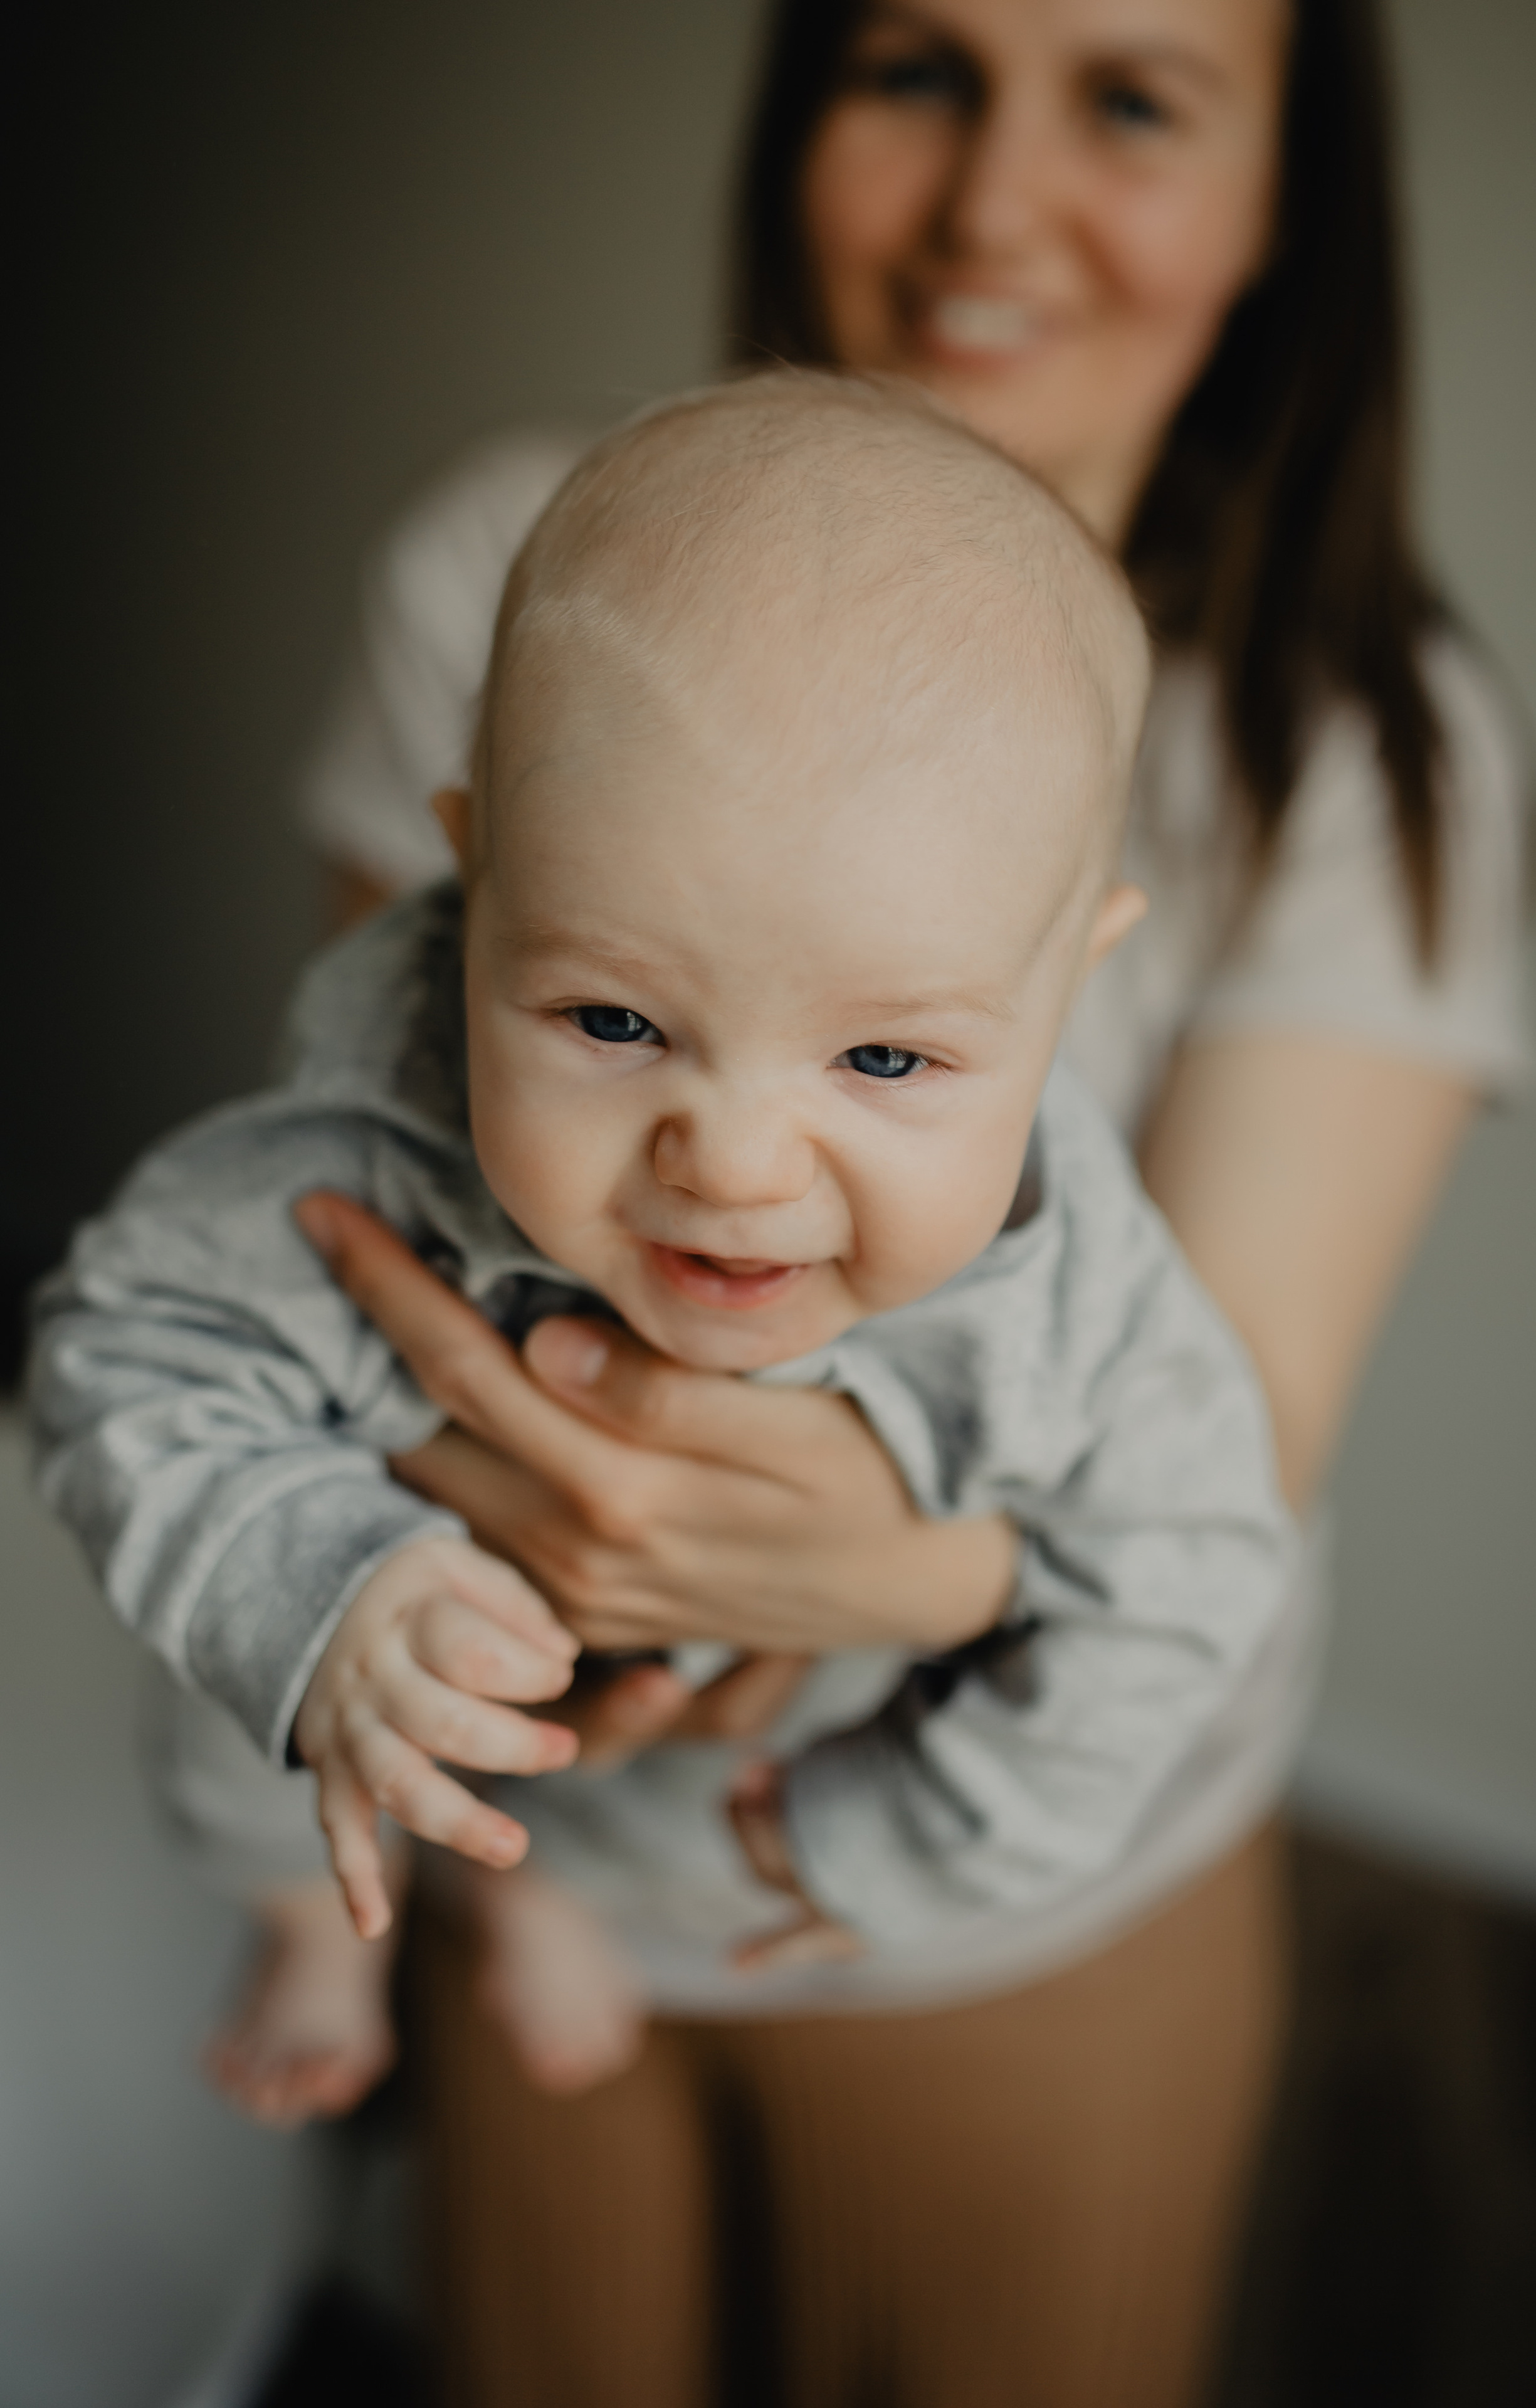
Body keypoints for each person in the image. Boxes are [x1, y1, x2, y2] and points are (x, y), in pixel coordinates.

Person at [107, 0, 1536, 2397]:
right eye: (916, 68)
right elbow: (369, 1215)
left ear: (1287, 191)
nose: (993, 203)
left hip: (1008, 1871)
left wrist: (851, 1624)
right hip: (529, 1839)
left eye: (1131, 98)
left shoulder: (1364, 758)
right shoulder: (506, 574)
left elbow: (1215, 1472)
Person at [34, 373, 1291, 2146]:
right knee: (251, 1717)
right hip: (407, 1680)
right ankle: (326, 1923)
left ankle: (544, 1893)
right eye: (617, 1018)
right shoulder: (363, 1159)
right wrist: (324, 1583)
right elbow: (118, 1349)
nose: (736, 1166)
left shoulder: (1082, 1292)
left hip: (746, 1762)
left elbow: (1198, 1569)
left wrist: (917, 1838)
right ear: (476, 883)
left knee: (696, 1806)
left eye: (884, 1061)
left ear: (1066, 985)